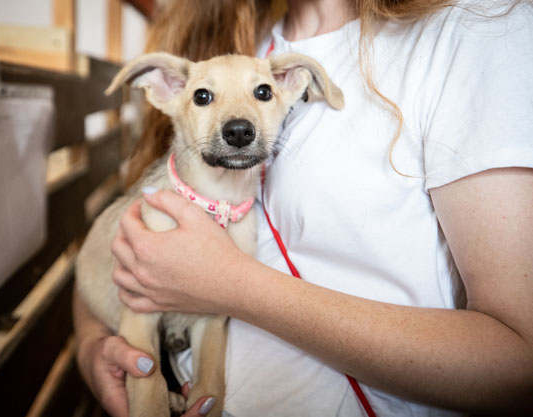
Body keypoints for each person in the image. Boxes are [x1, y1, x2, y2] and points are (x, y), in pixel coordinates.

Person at [74, 0, 533, 415]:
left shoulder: (476, 28)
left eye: (260, 95)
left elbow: (519, 367)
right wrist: (93, 345)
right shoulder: (231, 42)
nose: (238, 121)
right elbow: (123, 253)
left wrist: (230, 285)